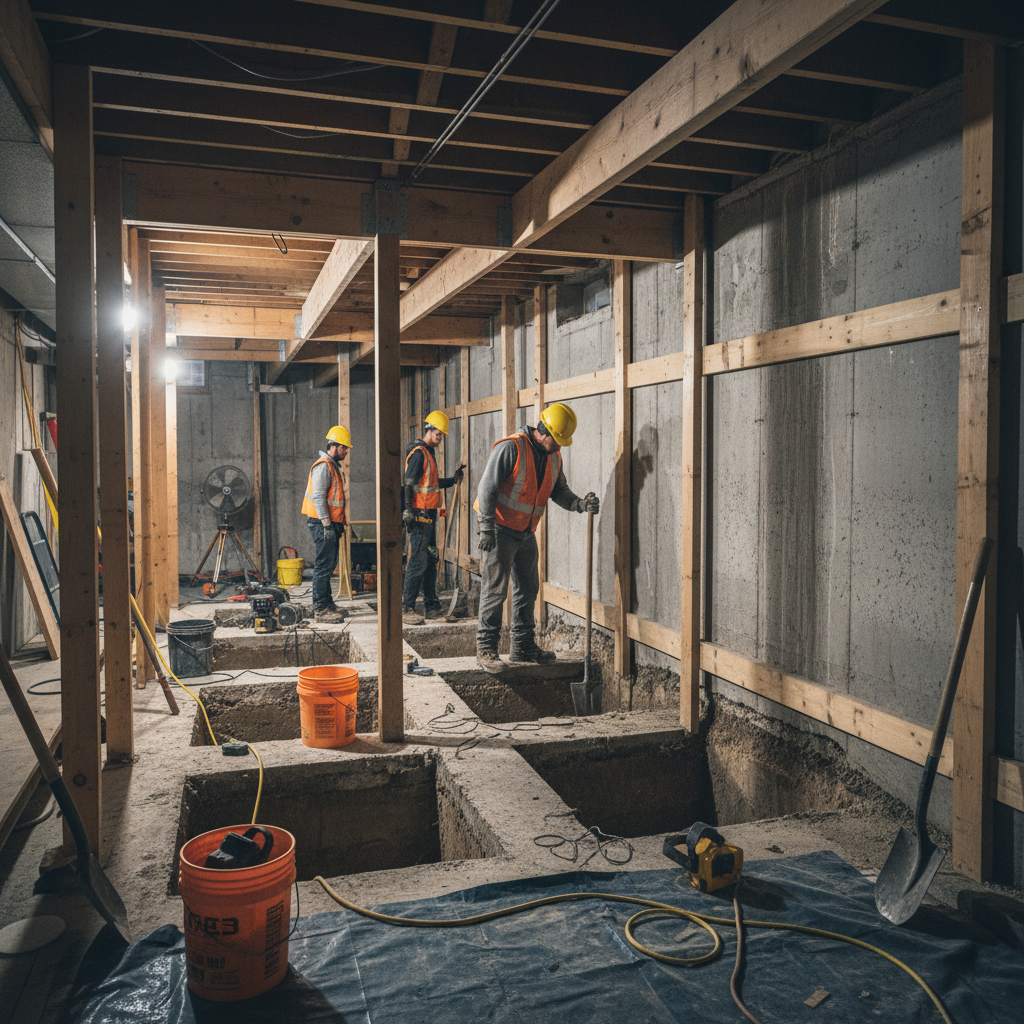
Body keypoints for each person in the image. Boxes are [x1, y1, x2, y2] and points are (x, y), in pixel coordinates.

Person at [473, 402, 599, 672]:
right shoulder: (511, 447)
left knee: (528, 588)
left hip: (525, 532)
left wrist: (579, 504)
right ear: (544, 433)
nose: (561, 446)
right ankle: (486, 648)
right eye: (559, 440)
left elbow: (559, 490)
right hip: (499, 528)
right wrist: (486, 527)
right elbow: (487, 488)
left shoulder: (553, 456)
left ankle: (522, 646)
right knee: (495, 589)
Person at [402, 410, 464, 624]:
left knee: (431, 560)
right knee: (418, 562)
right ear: (429, 430)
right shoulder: (419, 453)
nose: (440, 438)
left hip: (429, 517)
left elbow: (432, 484)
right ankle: (407, 608)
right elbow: (408, 483)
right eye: (438, 434)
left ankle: (432, 606)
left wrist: (453, 480)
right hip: (419, 518)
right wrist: (407, 509)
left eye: (442, 435)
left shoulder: (429, 453)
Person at [301, 425, 353, 623]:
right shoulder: (324, 466)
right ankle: (320, 609)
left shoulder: (332, 466)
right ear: (333, 446)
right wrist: (326, 525)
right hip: (322, 523)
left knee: (329, 565)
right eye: (344, 448)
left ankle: (327, 603)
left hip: (330, 524)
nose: (346, 451)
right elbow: (319, 497)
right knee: (324, 566)